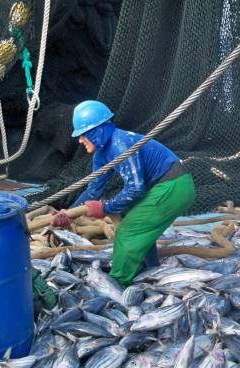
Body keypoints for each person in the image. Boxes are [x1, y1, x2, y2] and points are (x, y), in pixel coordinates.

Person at [53, 100, 196, 287]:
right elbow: (94, 190)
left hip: (174, 186)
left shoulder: (119, 144)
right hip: (166, 186)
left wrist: (105, 208)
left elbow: (136, 188)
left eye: (83, 134)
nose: (79, 140)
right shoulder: (102, 153)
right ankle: (150, 270)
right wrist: (67, 214)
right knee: (135, 222)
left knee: (129, 230)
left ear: (98, 131)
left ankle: (117, 284)